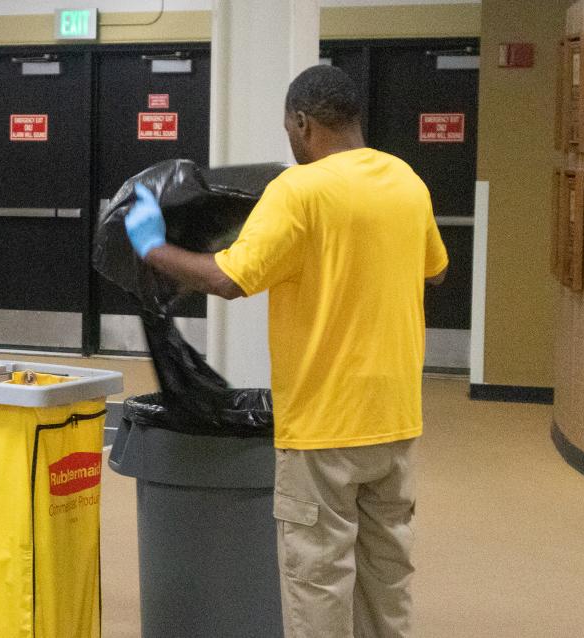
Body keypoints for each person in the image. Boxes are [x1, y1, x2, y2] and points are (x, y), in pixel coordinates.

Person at [123, 64, 448, 638]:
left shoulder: (299, 190)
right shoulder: (407, 181)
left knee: (319, 583)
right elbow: (435, 270)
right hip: (396, 418)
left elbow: (228, 279)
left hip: (323, 429)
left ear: (302, 122)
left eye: (288, 130)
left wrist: (152, 247)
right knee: (386, 587)